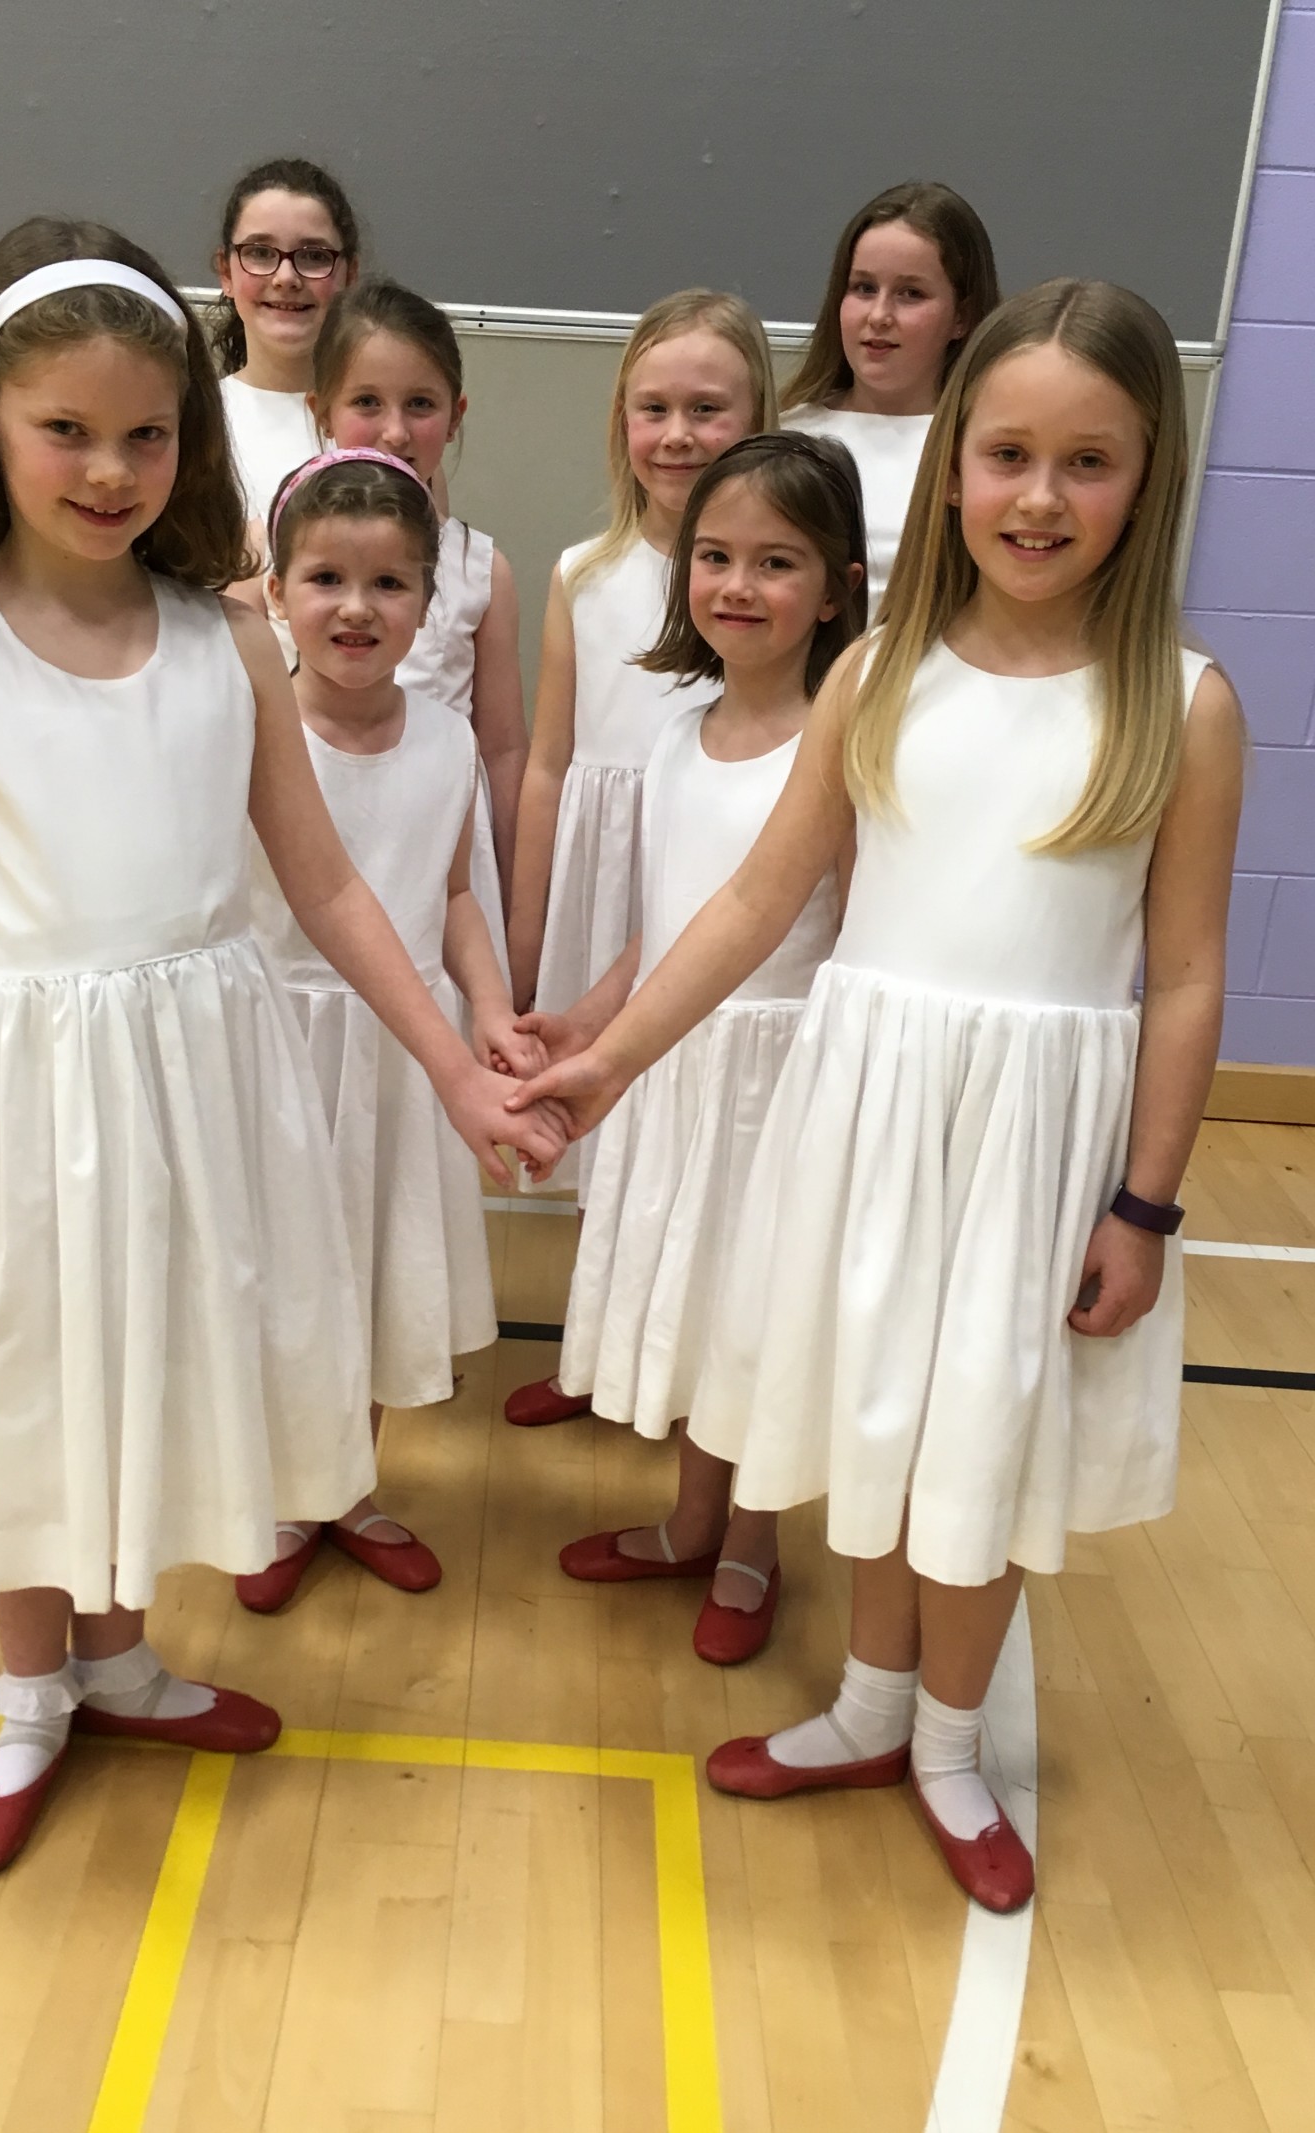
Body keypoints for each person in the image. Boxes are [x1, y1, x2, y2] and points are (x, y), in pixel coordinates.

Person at [0, 218, 563, 1879]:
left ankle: (125, 1661)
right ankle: (33, 1695)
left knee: (147, 1370)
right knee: (26, 1397)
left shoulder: (229, 640)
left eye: (146, 433)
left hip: (187, 1082)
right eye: (65, 429)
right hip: (14, 1105)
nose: (109, 469)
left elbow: (329, 884)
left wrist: (456, 1065)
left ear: (194, 437)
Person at [508, 279, 1244, 1913]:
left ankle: (950, 1745)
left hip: (1038, 1148)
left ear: (1148, 478)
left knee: (981, 1448)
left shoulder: (1181, 706)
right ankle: (865, 1705)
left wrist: (1143, 1200)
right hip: (870, 1113)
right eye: (1008, 455)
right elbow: (755, 902)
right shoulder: (881, 673)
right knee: (880, 1424)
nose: (1039, 497)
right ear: (956, 464)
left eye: (1088, 462)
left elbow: (1188, 977)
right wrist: (608, 1058)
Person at [524, 434, 864, 1664]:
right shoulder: (677, 731)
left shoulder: (839, 742)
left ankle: (750, 1547)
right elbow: (667, 929)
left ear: (834, 589)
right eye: (715, 556)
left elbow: (848, 932)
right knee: (693, 1297)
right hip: (673, 1071)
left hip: (775, 1082)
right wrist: (588, 1018)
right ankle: (689, 1522)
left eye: (776, 562)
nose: (737, 584)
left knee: (756, 1315)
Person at [238, 448, 543, 1610]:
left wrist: (493, 1010)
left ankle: (348, 1486)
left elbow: (454, 894)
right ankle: (281, 1492)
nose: (356, 608)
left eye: (388, 584)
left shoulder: (446, 739)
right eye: (325, 579)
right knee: (285, 1281)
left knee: (372, 1270)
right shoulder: (252, 727)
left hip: (403, 1055)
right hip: (280, 1049)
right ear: (277, 592)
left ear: (429, 599)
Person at [501, 290, 776, 1283]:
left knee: (703, 1127)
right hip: (602, 884)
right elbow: (547, 764)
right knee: (602, 1130)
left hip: (712, 880)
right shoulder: (584, 575)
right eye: (653, 409)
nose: (677, 435)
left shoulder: (769, 584)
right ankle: (606, 1325)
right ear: (621, 421)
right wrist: (524, 942)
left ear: (757, 418)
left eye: (707, 409)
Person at [310, 278, 527, 965]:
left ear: (455, 416)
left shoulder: (479, 568)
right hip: (316, 833)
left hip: (437, 855)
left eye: (420, 405)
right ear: (322, 409)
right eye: (367, 402)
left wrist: (517, 904)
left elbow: (503, 749)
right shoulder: (277, 558)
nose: (396, 431)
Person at [782, 181, 998, 615]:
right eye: (863, 288)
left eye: (910, 294)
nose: (879, 316)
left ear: (961, 317)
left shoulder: (989, 449)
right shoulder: (785, 436)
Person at [210, 156, 360, 525]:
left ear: (350, 275)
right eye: (260, 253)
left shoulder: (387, 425)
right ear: (226, 272)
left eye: (314, 256)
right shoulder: (193, 418)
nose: (286, 277)